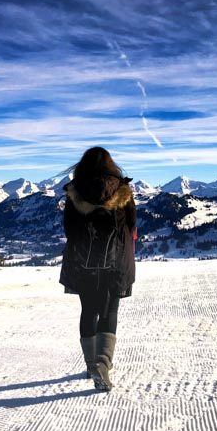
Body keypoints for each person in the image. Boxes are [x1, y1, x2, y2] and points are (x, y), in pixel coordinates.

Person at [59, 147, 137, 392]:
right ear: (110, 166)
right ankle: (103, 364)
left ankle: (91, 365)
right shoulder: (123, 190)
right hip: (116, 261)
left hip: (83, 262)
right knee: (109, 310)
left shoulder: (75, 192)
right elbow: (132, 226)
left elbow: (69, 230)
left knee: (88, 310)